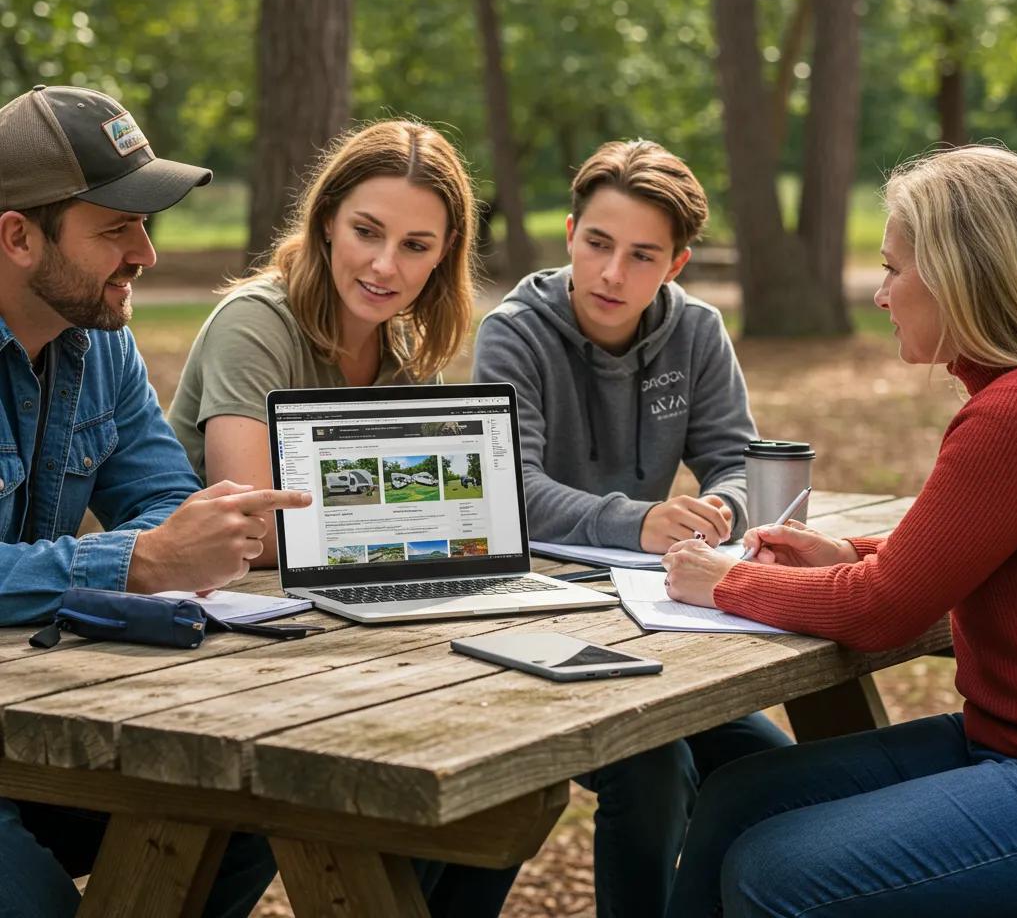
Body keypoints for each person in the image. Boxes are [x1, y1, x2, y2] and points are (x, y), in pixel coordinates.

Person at [664, 145, 1017, 917]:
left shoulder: (1011, 415)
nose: (879, 294)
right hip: (994, 738)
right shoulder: (1003, 402)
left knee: (777, 870)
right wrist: (846, 554)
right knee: (737, 799)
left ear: (961, 272)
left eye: (894, 269)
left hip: (1016, 761)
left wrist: (724, 579)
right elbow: (962, 558)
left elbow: (882, 611)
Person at [0, 85, 309, 916]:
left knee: (245, 812)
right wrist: (133, 561)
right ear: (18, 236)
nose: (147, 254)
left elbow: (173, 503)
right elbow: (157, 544)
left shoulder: (102, 347)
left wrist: (164, 548)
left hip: (41, 721)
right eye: (116, 228)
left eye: (146, 224)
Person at [470, 140, 789, 918]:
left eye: (642, 256)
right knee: (654, 772)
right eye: (597, 244)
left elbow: (735, 462)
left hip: (657, 618)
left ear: (675, 265)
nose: (612, 274)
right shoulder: (513, 332)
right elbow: (510, 490)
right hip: (534, 614)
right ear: (571, 232)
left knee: (778, 772)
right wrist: (638, 520)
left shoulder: (698, 332)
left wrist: (724, 510)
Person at [168, 119, 477, 567]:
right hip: (229, 604)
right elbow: (256, 529)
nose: (385, 266)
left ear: (445, 250)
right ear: (328, 218)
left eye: (414, 245)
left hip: (352, 590)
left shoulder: (411, 348)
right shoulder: (253, 324)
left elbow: (442, 514)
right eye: (366, 232)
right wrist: (402, 528)